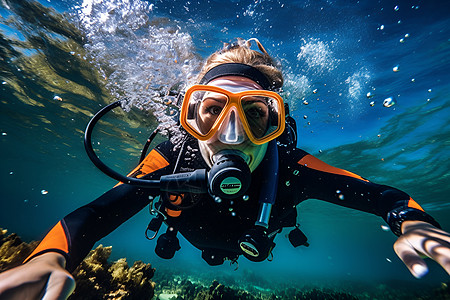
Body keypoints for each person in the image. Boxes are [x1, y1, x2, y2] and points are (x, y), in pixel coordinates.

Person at [0, 38, 449, 299]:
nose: (231, 135)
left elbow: (383, 196)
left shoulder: (291, 166)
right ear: (188, 118)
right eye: (211, 111)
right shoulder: (170, 159)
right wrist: (49, 257)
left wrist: (414, 223)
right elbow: (97, 213)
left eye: (256, 114)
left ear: (278, 122)